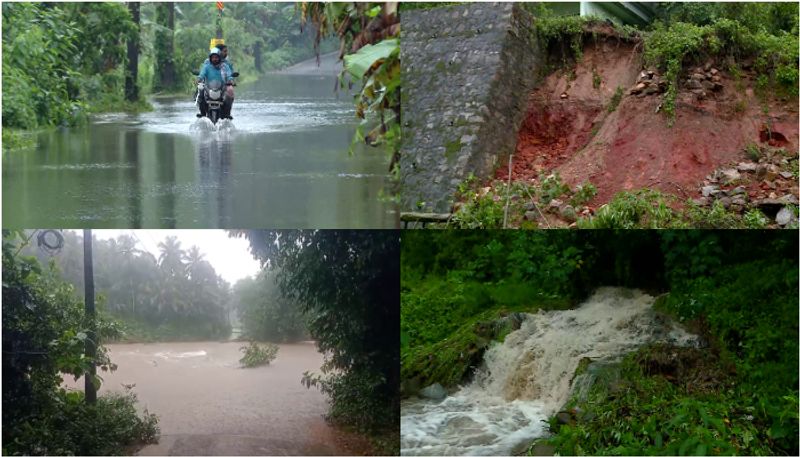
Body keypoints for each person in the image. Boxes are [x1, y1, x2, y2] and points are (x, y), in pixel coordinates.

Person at [196, 48, 235, 119]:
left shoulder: (224, 67)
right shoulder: (206, 67)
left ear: (219, 58)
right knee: (200, 92)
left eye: (216, 57)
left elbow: (229, 75)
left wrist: (230, 80)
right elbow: (202, 74)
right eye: (213, 57)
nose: (215, 59)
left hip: (221, 88)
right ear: (210, 58)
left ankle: (227, 113)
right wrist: (199, 79)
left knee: (230, 94)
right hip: (209, 88)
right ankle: (202, 113)